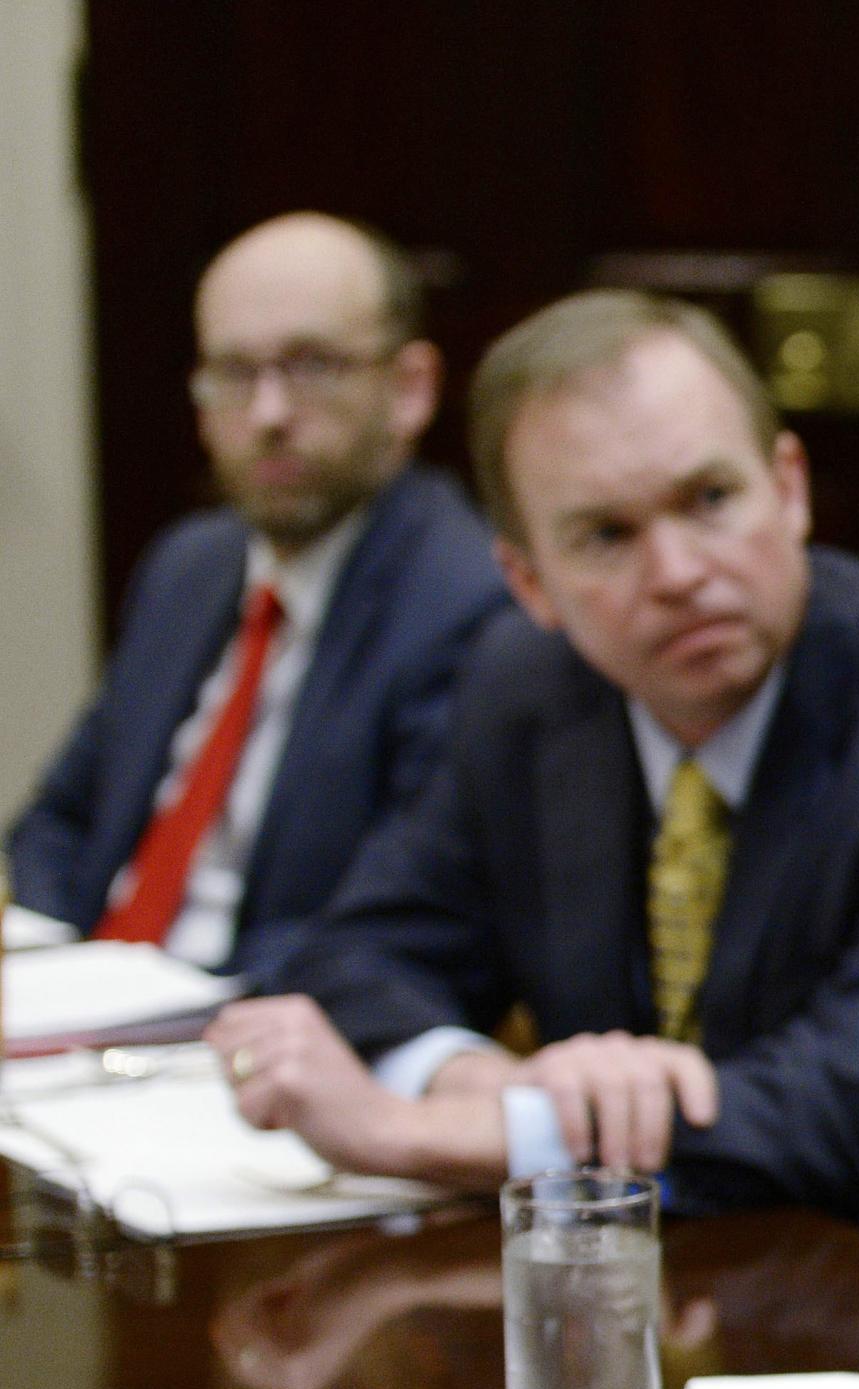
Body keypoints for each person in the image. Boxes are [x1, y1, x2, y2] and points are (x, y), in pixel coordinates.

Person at [206, 290, 859, 1347]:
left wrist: (420, 1132)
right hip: (686, 1315)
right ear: (528, 580)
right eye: (605, 534)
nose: (679, 573)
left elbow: (844, 1106)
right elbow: (363, 951)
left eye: (709, 499)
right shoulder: (527, 694)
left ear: (789, 488)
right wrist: (485, 1079)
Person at [8, 212, 506, 981]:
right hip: (81, 1024)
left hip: (244, 1035)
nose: (269, 413)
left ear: (411, 388)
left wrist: (146, 1005)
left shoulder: (468, 603)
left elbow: (392, 921)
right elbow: (60, 820)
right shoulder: (187, 567)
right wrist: (52, 976)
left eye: (311, 366)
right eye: (235, 373)